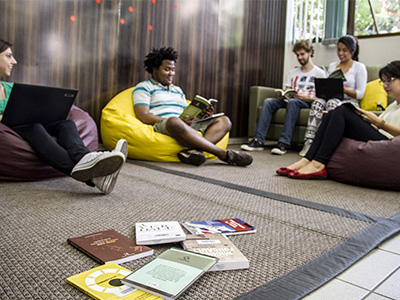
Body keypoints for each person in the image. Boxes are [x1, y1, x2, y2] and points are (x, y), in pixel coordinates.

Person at [0, 39, 127, 194]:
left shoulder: (10, 87)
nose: (14, 61)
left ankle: (86, 158)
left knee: (65, 124)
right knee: (35, 127)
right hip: (13, 129)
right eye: (8, 56)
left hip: (29, 122)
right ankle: (93, 175)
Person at [276, 61, 400, 179]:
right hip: (381, 140)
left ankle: (318, 163)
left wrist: (378, 122)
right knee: (333, 113)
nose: (385, 85)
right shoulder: (393, 105)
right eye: (383, 81)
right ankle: (307, 159)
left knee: (343, 110)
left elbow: (389, 131)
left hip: (390, 146)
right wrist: (364, 119)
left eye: (389, 80)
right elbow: (376, 128)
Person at [132, 47, 252, 167]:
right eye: (167, 70)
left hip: (184, 124)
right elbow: (143, 115)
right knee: (174, 121)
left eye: (173, 70)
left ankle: (194, 152)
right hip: (167, 124)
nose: (171, 74)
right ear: (155, 69)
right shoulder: (144, 87)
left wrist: (201, 116)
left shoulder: (177, 90)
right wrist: (179, 121)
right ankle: (222, 154)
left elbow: (187, 113)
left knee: (224, 120)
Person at [241, 40, 326, 155]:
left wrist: (305, 98)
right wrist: (283, 95)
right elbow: (287, 89)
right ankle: (258, 140)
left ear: (310, 52)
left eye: (302, 54)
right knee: (268, 102)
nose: (299, 57)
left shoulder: (319, 73)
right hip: (290, 100)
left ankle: (283, 143)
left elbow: (321, 98)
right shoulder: (293, 72)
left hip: (306, 102)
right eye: (297, 55)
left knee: (293, 102)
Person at [299, 35, 367, 156]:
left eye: (344, 50)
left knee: (331, 104)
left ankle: (329, 144)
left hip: (349, 102)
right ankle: (309, 143)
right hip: (331, 97)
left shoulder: (359, 67)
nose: (340, 53)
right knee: (318, 102)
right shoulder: (332, 66)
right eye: (339, 49)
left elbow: (360, 94)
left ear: (352, 50)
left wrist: (343, 89)